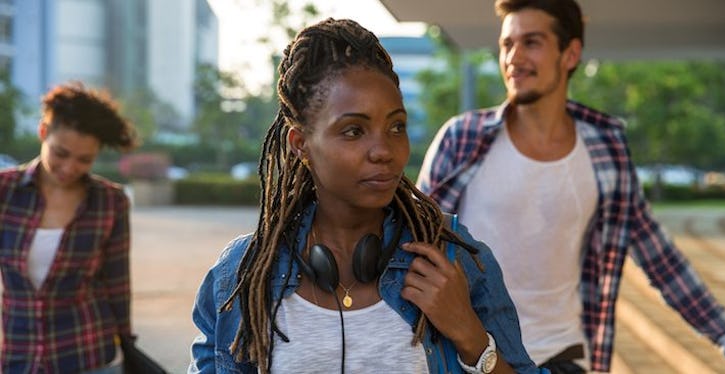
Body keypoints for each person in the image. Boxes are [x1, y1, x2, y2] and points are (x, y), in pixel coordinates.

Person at [189, 18, 541, 374]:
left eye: (396, 127)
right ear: (301, 145)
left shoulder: (451, 257)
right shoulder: (243, 275)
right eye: (354, 131)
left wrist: (472, 338)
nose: (383, 151)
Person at [417, 0, 725, 373]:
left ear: (570, 54)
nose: (513, 56)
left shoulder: (604, 149)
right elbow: (410, 240)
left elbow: (658, 257)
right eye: (507, 44)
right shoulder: (462, 139)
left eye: (532, 42)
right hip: (470, 355)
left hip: (562, 355)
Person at [0, 82, 137, 373]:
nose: (70, 167)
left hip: (87, 352)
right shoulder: (5, 191)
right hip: (16, 353)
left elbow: (117, 283)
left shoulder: (111, 202)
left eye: (84, 159)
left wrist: (127, 342)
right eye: (60, 153)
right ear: (43, 132)